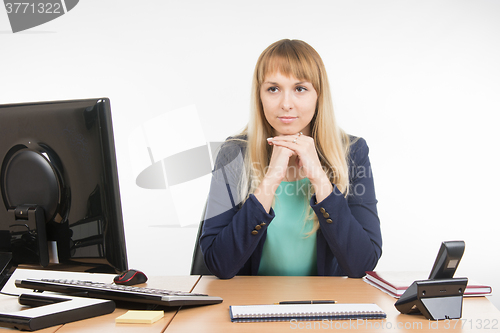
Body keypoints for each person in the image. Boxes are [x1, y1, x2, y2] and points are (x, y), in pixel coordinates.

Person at [200, 39, 382, 279]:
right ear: (260, 96)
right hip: (248, 304)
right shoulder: (234, 153)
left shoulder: (352, 152)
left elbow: (363, 264)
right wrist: (271, 178)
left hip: (323, 308)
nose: (286, 104)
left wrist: (319, 177)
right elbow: (218, 264)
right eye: (273, 89)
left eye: (300, 89)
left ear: (319, 95)